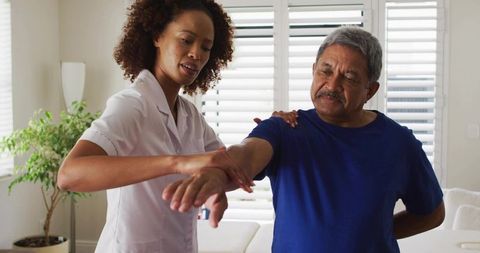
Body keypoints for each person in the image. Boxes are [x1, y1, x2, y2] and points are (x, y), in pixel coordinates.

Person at [162, 27, 446, 253]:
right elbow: (248, 153)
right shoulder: (286, 128)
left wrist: (376, 232)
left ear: (370, 90)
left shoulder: (399, 143)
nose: (332, 85)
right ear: (313, 71)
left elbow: (431, 213)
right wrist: (215, 172)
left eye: (349, 77)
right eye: (326, 70)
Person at [57, 0, 297, 252]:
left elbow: (229, 165)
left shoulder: (189, 114)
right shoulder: (132, 105)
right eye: (186, 40)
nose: (197, 54)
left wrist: (272, 126)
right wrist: (178, 162)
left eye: (206, 47)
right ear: (157, 36)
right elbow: (69, 175)